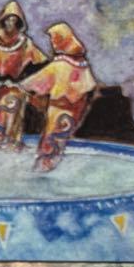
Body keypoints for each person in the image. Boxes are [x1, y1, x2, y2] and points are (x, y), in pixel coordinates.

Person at [19, 22, 98, 172]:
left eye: (55, 39)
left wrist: (19, 87)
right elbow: (89, 87)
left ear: (63, 40)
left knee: (50, 140)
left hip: (59, 108)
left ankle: (42, 169)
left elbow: (35, 83)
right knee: (59, 140)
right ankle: (50, 166)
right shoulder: (81, 63)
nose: (53, 43)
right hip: (75, 110)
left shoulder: (60, 64)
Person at [0, 0, 48, 151]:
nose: (10, 23)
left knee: (16, 111)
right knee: (0, 112)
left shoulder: (25, 42)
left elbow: (40, 62)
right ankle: (1, 141)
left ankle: (14, 142)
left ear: (19, 23)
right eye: (8, 19)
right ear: (3, 21)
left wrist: (23, 81)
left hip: (17, 85)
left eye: (14, 20)